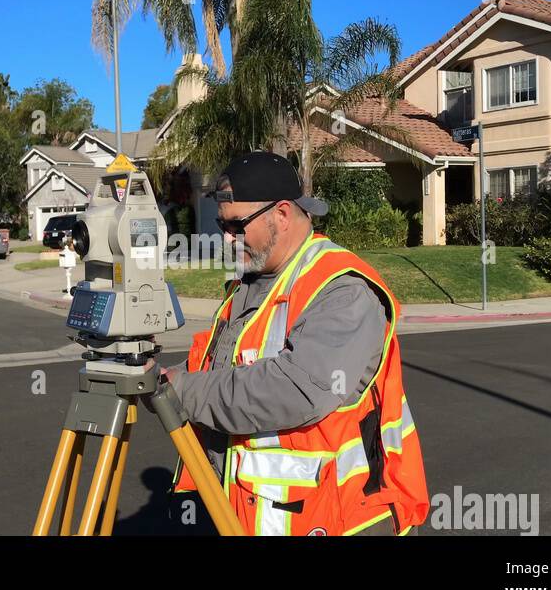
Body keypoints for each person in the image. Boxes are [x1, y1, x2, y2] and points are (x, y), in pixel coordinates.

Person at [160, 152, 429, 536]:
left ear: (282, 214)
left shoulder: (342, 288)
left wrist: (183, 391)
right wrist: (170, 377)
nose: (226, 238)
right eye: (222, 225)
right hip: (249, 515)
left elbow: (298, 389)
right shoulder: (251, 281)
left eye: (237, 225)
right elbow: (226, 367)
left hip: (337, 520)